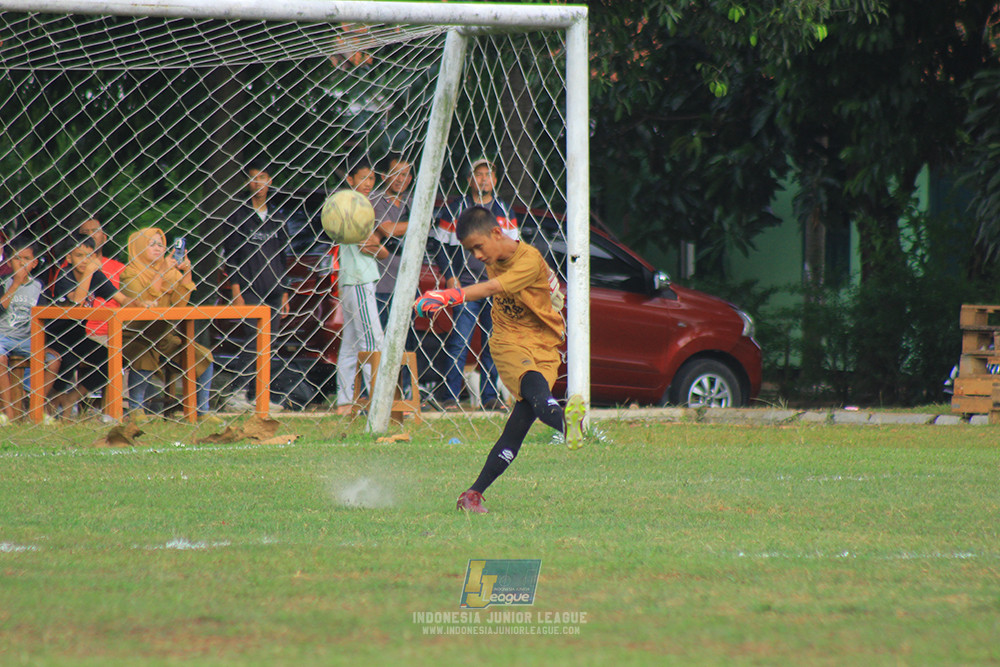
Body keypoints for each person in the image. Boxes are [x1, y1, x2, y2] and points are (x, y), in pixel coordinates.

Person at [414, 205, 586, 514]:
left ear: (497, 232)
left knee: (519, 424)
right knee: (537, 396)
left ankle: (473, 493)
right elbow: (501, 284)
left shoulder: (529, 259)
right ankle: (568, 424)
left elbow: (494, 286)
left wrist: (449, 296)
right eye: (471, 251)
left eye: (478, 247)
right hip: (509, 340)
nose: (477, 256)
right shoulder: (498, 255)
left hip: (544, 343)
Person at [431, 157, 518, 411]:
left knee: (494, 341)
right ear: (469, 179)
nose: (483, 179)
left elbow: (514, 248)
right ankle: (450, 397)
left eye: (488, 174)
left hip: (495, 285)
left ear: (495, 179)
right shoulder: (456, 209)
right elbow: (440, 246)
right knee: (460, 340)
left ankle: (490, 397)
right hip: (465, 287)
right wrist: (450, 276)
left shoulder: (503, 210)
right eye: (478, 174)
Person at [119, 228, 216, 420]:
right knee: (143, 352)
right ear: (138, 248)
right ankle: (136, 409)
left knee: (202, 355)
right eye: (151, 244)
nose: (158, 248)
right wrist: (161, 272)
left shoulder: (171, 273)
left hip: (164, 335)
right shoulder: (129, 273)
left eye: (160, 244)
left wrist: (186, 273)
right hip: (135, 334)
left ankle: (203, 411)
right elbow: (144, 301)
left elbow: (180, 304)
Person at [221, 167, 289, 412]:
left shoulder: (278, 218)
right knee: (253, 341)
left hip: (274, 289)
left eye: (262, 177)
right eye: (253, 178)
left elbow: (284, 256)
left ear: (269, 181)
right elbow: (232, 258)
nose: (258, 182)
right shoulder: (238, 216)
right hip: (250, 289)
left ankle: (260, 395)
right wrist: (236, 292)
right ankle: (236, 393)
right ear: (247, 183)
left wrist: (285, 292)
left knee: (269, 343)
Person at [47, 233, 129, 419]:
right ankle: (50, 406)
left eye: (89, 256)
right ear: (68, 258)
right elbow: (77, 301)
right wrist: (89, 272)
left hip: (78, 336)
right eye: (79, 256)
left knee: (114, 359)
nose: (85, 261)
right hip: (54, 336)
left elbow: (121, 299)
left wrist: (143, 302)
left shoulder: (95, 275)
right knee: (66, 361)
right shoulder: (65, 275)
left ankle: (72, 398)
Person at [334, 156, 385, 416]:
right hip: (358, 279)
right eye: (363, 178)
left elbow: (377, 246)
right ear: (350, 179)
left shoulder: (362, 206)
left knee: (351, 344)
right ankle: (379, 400)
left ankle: (344, 401)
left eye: (372, 178)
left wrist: (379, 245)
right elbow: (370, 245)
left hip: (354, 279)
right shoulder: (349, 206)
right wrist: (380, 245)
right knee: (373, 340)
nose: (368, 183)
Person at [0, 239, 60, 422]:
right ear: (9, 262)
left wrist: (40, 342)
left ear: (34, 263)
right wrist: (15, 284)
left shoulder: (38, 286)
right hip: (3, 337)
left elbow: (44, 316)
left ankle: (34, 406)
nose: (21, 263)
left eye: (26, 259)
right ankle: (8, 413)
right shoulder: (3, 283)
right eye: (17, 259)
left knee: (54, 360)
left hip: (27, 339)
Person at [79, 218, 125, 345]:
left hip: (115, 330)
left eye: (95, 231)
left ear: (104, 238)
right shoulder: (67, 269)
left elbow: (126, 299)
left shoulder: (119, 268)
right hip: (82, 334)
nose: (90, 235)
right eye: (85, 232)